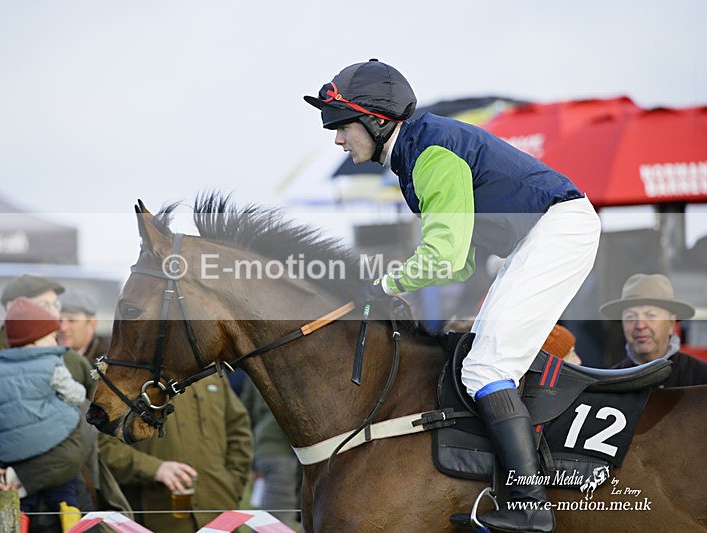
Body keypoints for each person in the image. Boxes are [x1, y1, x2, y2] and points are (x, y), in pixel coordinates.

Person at [305, 59, 601, 532]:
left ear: (377, 120)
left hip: (557, 231)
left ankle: (530, 506)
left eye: (342, 126)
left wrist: (384, 286)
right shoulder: (415, 153)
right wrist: (407, 292)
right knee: (478, 358)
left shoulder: (430, 154)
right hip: (543, 234)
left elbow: (442, 257)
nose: (338, 139)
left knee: (486, 368)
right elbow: (459, 260)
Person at [0, 274, 130, 533]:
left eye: (56, 306)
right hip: (7, 502)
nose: (56, 315)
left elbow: (97, 431)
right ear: (12, 307)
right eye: (45, 306)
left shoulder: (72, 362)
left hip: (73, 497)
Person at [0, 297, 86, 530]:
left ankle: (19, 521)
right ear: (35, 340)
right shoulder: (52, 365)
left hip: (10, 452)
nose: (55, 342)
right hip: (53, 443)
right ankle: (70, 517)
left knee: (21, 498)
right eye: (51, 337)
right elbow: (76, 395)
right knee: (65, 487)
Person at [99, 374, 252, 533]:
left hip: (221, 513)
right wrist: (154, 469)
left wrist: (232, 484)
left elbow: (238, 430)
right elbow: (104, 446)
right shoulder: (128, 373)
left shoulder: (212, 374)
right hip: (158, 518)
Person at [601, 273, 707, 386]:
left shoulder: (701, 376)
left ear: (671, 323)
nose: (640, 325)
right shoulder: (609, 383)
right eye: (630, 317)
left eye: (651, 316)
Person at [240, 378, 300, 527]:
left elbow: (244, 413)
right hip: (284, 454)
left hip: (263, 450)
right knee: (273, 526)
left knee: (266, 520)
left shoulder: (254, 368)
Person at [57, 288, 109, 365]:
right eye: (59, 320)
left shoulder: (108, 359)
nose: (62, 328)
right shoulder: (45, 349)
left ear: (92, 323)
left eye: (71, 320)